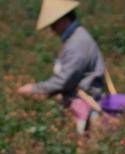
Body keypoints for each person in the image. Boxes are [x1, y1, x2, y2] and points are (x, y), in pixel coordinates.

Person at [17, 0, 107, 134]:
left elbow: (65, 79)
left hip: (88, 110)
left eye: (53, 24)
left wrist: (35, 89)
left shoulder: (77, 42)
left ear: (63, 19)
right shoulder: (76, 38)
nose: (52, 29)